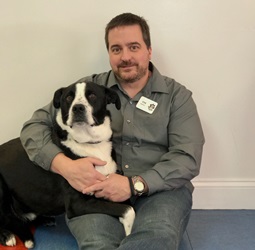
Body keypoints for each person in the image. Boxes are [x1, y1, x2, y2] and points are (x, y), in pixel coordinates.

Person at [20, 13, 205, 250]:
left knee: (156, 238)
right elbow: (33, 127)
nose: (125, 57)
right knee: (98, 243)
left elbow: (187, 157)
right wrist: (65, 166)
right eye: (116, 49)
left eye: (134, 47)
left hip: (161, 189)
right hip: (94, 189)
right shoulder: (85, 90)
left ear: (149, 50)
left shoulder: (177, 97)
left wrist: (133, 185)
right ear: (109, 54)